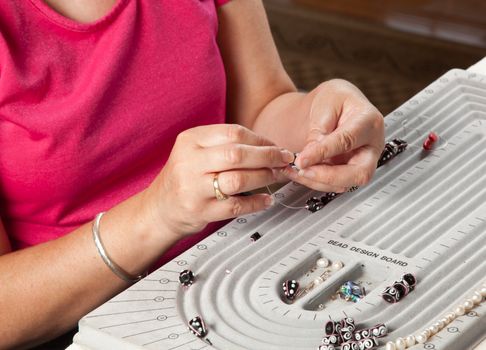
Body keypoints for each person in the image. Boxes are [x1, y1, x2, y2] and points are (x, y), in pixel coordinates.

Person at [0, 0, 384, 348]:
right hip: (79, 322)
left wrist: (325, 117)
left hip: (232, 266)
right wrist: (156, 216)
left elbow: (262, 107)